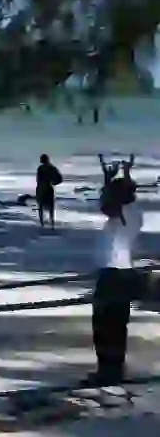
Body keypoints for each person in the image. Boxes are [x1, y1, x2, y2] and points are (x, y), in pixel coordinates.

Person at [88, 154, 143, 386]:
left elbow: (109, 203)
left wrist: (109, 180)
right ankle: (112, 372)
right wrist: (114, 178)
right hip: (121, 273)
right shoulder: (133, 213)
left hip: (114, 274)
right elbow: (115, 199)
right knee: (116, 327)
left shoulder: (120, 214)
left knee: (105, 326)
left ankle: (108, 373)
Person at [35, 154, 63, 229]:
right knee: (51, 207)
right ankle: (52, 223)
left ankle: (42, 223)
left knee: (41, 206)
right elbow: (59, 179)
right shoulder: (52, 168)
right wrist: (54, 182)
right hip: (49, 188)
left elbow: (38, 180)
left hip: (42, 189)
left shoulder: (40, 168)